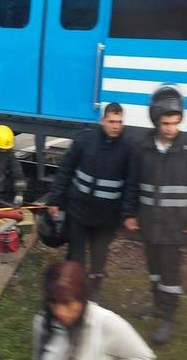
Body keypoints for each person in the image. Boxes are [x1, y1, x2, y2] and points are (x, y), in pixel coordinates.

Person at [123, 84, 187, 344]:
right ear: (155, 120)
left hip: (175, 229)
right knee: (153, 270)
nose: (171, 128)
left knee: (170, 275)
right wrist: (129, 213)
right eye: (166, 123)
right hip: (149, 225)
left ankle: (168, 318)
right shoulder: (143, 149)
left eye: (175, 122)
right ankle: (157, 305)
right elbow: (132, 184)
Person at [46, 102, 131, 302]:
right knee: (75, 255)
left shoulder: (129, 149)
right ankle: (74, 291)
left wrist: (125, 216)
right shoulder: (85, 141)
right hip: (79, 212)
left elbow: (131, 185)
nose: (115, 126)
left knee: (99, 257)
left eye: (119, 122)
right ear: (103, 121)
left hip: (106, 218)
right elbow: (65, 171)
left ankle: (95, 291)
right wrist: (55, 200)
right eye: (111, 121)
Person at [32, 261, 156, 360]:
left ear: (82, 299)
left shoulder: (105, 322)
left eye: (67, 303)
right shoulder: (43, 322)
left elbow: (144, 357)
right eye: (53, 302)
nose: (59, 311)